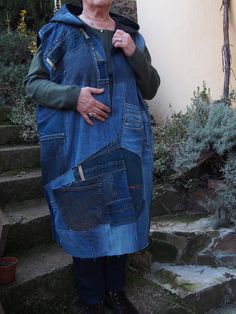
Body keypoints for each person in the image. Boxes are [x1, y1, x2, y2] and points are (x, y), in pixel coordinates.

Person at [24, 1, 160, 313]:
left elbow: (151, 87)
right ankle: (92, 299)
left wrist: (132, 53)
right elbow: (33, 83)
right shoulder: (60, 32)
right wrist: (74, 97)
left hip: (126, 141)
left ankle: (115, 291)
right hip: (81, 143)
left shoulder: (131, 36)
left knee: (122, 216)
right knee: (84, 218)